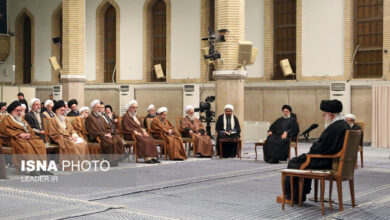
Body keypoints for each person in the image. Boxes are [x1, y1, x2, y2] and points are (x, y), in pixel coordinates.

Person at [277, 99, 350, 204]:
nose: (323, 115)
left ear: (330, 114)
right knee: (300, 160)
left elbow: (324, 148)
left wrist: (314, 147)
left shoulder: (335, 127)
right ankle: (300, 194)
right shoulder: (343, 124)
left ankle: (293, 197)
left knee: (294, 162)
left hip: (326, 161)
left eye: (324, 113)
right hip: (334, 160)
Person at [0, 101, 50, 176]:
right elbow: (5, 131)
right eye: (17, 110)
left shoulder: (21, 119)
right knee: (26, 145)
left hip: (26, 137)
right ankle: (30, 169)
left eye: (20, 110)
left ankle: (42, 168)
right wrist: (20, 134)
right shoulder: (7, 119)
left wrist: (28, 134)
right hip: (12, 139)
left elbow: (29, 128)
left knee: (39, 143)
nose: (19, 112)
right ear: (12, 111)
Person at [48, 100, 90, 171]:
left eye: (64, 110)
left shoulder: (65, 119)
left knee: (83, 143)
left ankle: (82, 164)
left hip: (70, 136)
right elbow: (53, 133)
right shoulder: (52, 120)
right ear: (56, 111)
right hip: (61, 138)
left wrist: (74, 135)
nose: (63, 112)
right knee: (72, 145)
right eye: (61, 110)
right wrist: (68, 137)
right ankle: (72, 166)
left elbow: (72, 129)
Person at [85, 99, 125, 166]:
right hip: (97, 137)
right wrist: (104, 134)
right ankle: (109, 161)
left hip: (104, 135)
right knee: (111, 142)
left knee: (117, 139)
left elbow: (107, 127)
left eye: (100, 107)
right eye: (98, 107)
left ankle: (116, 159)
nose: (100, 109)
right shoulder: (90, 118)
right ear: (93, 108)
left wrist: (109, 132)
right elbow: (91, 130)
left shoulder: (101, 117)